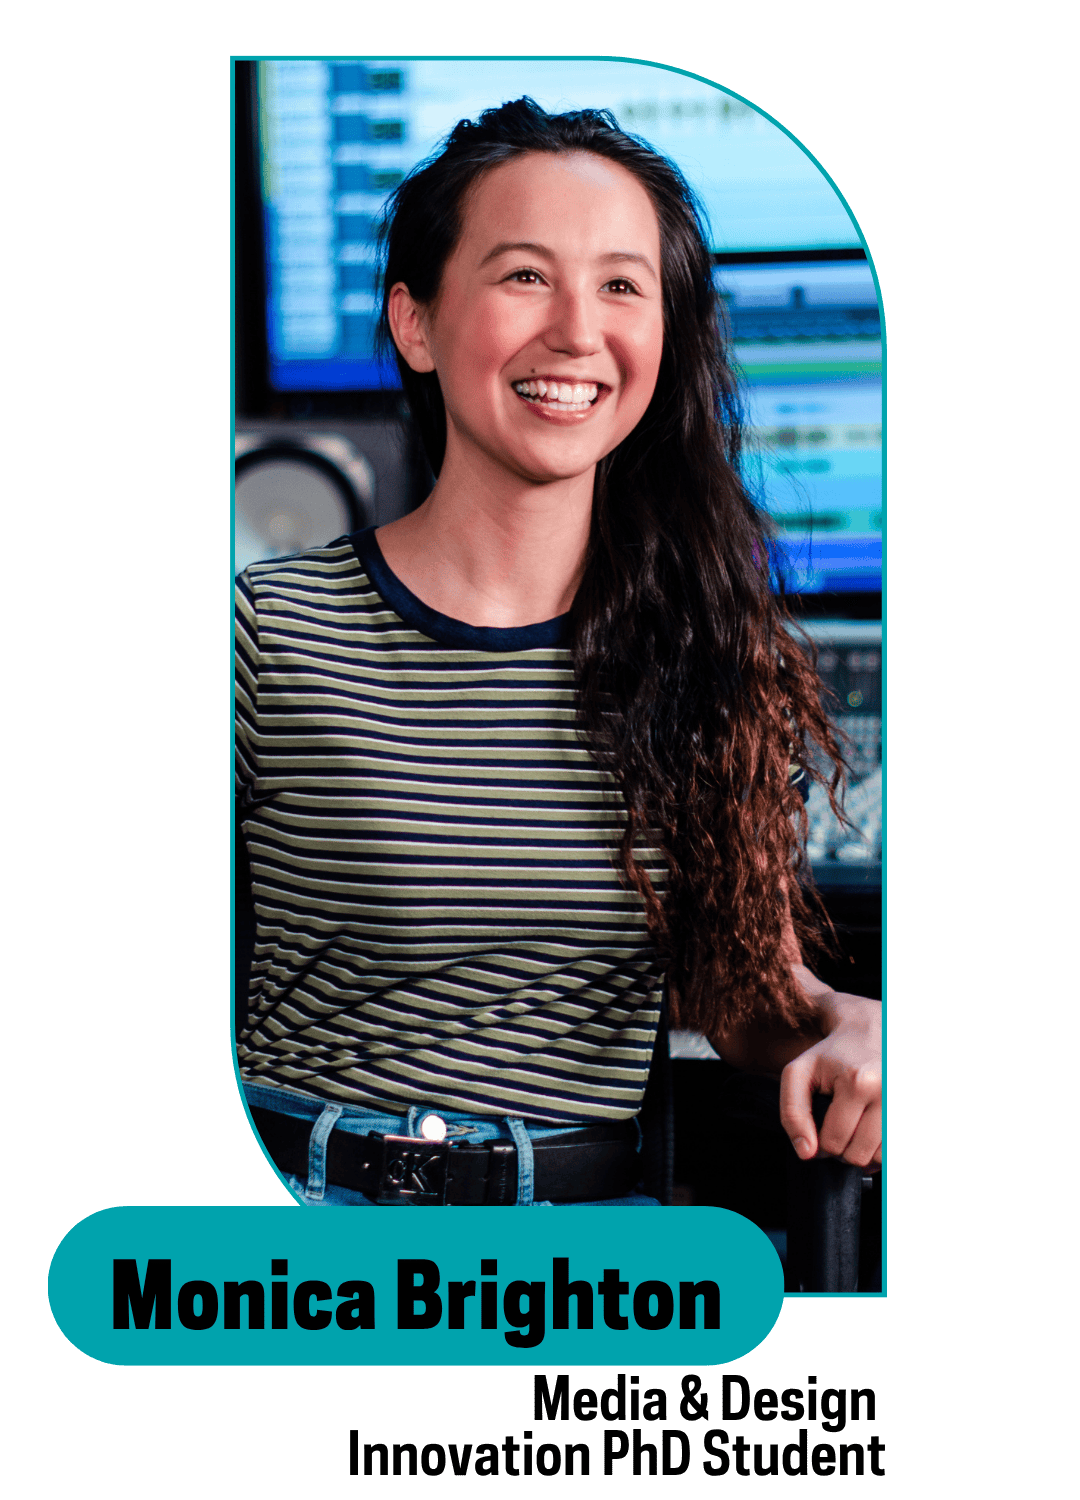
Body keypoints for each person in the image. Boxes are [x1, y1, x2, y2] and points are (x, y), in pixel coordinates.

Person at [234, 98, 882, 1208]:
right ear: (416, 325)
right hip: (304, 1225)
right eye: (526, 275)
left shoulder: (712, 657)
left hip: (590, 1247)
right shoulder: (266, 631)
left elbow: (746, 998)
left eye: (622, 285)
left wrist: (848, 1021)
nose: (578, 331)